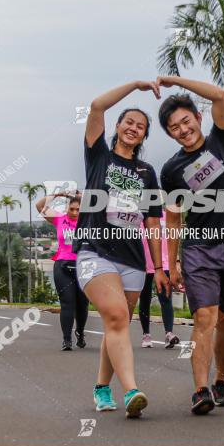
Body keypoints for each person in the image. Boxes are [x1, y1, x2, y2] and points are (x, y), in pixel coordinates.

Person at [157, 76, 224, 415]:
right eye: (174, 127)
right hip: (199, 249)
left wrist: (171, 80)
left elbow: (219, 94)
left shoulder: (223, 140)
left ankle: (221, 380)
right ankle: (200, 390)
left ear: (198, 118)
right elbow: (172, 219)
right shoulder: (171, 170)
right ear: (170, 134)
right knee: (205, 317)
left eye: (185, 121)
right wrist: (171, 264)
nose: (182, 129)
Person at [73, 80, 168, 418]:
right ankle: (131, 391)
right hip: (94, 252)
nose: (133, 128)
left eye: (140, 127)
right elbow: (97, 105)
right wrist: (136, 87)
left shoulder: (147, 172)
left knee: (117, 326)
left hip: (133, 261)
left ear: (143, 137)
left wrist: (158, 268)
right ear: (117, 126)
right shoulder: (98, 155)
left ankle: (102, 387)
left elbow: (153, 223)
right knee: (115, 317)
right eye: (129, 122)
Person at [36, 190, 89, 351]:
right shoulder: (59, 219)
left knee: (82, 304)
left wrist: (83, 196)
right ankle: (67, 340)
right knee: (67, 304)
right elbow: (39, 205)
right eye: (71, 209)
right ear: (67, 209)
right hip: (62, 266)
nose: (74, 212)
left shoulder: (89, 221)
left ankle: (80, 332)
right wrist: (59, 195)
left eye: (77, 209)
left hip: (84, 267)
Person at [136, 215, 180, 348]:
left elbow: (172, 239)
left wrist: (176, 261)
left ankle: (169, 333)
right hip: (144, 262)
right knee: (145, 298)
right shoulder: (141, 216)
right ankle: (146, 334)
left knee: (166, 298)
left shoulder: (167, 216)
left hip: (164, 263)